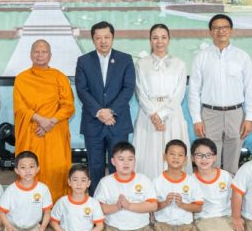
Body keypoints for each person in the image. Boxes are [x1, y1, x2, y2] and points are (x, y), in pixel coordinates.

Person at [187, 14, 252, 173]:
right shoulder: (201, 57)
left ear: (231, 30)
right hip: (210, 114)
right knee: (210, 160)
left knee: (233, 161)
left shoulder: (242, 56)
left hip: (236, 114)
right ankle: (211, 188)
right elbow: (194, 91)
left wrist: (249, 117)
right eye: (217, 28)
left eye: (225, 27)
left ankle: (231, 188)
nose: (221, 31)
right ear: (210, 32)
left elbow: (250, 88)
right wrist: (196, 119)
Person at [75, 21, 136, 193]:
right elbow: (82, 90)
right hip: (93, 122)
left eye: (107, 37)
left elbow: (128, 88)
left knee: (119, 165)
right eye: (98, 38)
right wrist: (99, 112)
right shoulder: (84, 61)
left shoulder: (125, 59)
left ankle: (118, 199)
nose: (103, 41)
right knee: (95, 166)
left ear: (113, 38)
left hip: (118, 122)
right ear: (93, 39)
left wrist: (110, 111)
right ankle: (97, 201)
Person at [13, 39, 75, 200]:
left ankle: (57, 206)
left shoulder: (59, 77)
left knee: (57, 170)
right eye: (36, 51)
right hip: (32, 132)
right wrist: (40, 120)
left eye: (44, 52)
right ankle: (30, 206)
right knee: (30, 169)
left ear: (50, 55)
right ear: (30, 54)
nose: (40, 55)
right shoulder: (22, 78)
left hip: (55, 133)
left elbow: (68, 106)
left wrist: (51, 122)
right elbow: (20, 107)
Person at [133, 24, 189, 178]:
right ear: (150, 40)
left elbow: (179, 93)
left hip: (172, 114)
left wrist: (162, 114)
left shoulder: (179, 64)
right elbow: (140, 91)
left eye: (163, 37)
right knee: (149, 152)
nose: (159, 42)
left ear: (169, 40)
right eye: (155, 38)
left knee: (172, 150)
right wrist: (153, 114)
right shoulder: (141, 64)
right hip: (148, 115)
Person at [95, 142, 157, 231]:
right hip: (113, 230)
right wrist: (117, 206)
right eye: (121, 159)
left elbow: (153, 206)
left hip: (140, 230)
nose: (126, 163)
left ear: (135, 161)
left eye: (130, 159)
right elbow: (98, 208)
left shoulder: (143, 180)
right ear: (113, 161)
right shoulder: (105, 182)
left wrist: (129, 206)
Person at [192, 138, 246, 231]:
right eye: (199, 155)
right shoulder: (190, 180)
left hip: (225, 219)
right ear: (193, 158)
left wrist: (237, 217)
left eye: (208, 155)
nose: (204, 159)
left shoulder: (225, 176)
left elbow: (236, 198)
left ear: (215, 157)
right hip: (203, 221)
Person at [0, 150, 53, 231]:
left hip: (33, 230)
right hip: (15, 230)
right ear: (16, 170)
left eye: (31, 167)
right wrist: (8, 226)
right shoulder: (11, 190)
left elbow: (47, 212)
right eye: (23, 167)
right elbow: (2, 212)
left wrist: (43, 228)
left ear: (38, 168)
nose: (28, 171)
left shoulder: (43, 189)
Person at [152, 139, 202, 231]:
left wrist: (183, 205)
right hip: (163, 227)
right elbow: (152, 207)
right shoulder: (157, 181)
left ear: (185, 159)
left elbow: (198, 207)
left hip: (185, 228)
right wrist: (164, 203)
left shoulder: (191, 181)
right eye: (172, 154)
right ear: (165, 156)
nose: (176, 157)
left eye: (180, 155)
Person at [50, 164, 105, 231]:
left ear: (88, 183)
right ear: (69, 182)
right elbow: (53, 221)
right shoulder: (62, 202)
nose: (79, 184)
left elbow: (100, 226)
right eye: (75, 180)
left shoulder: (93, 203)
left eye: (83, 180)